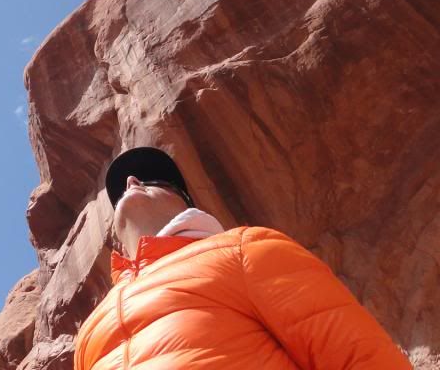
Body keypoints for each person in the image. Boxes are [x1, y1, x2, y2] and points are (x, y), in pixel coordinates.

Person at [73, 146, 411, 370]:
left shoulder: (244, 249)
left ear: (185, 203)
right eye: (123, 190)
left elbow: (360, 355)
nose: (132, 182)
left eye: (152, 180)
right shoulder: (89, 333)